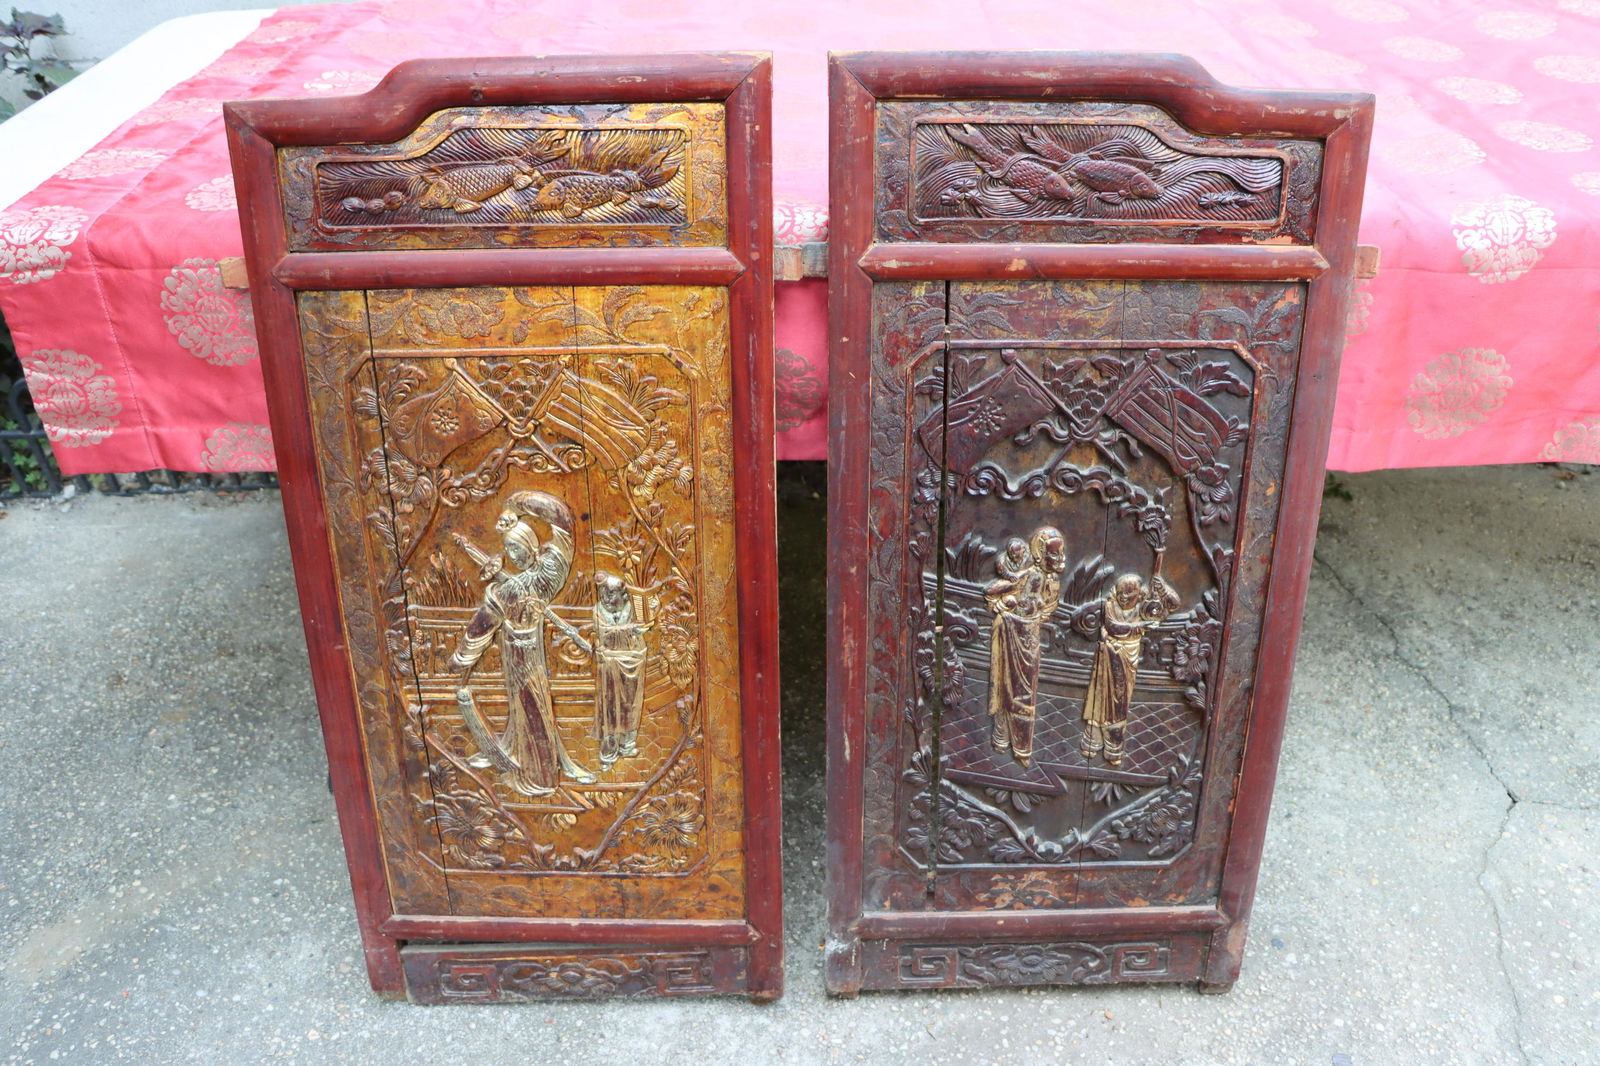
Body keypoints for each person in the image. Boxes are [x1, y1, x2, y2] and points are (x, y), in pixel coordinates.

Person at [451, 491, 595, 796]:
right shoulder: (515, 587)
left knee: (533, 706)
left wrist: (514, 506)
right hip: (513, 653)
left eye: (517, 547)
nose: (512, 556)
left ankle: (540, 775)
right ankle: (516, 751)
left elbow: (562, 520)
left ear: (532, 545)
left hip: (529, 654)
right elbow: (482, 626)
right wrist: (463, 657)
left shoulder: (544, 576)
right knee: (522, 705)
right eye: (507, 549)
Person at [984, 526, 1065, 767]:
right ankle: (1006, 741)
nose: (1060, 559)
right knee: (1008, 687)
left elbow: (1047, 609)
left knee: (1024, 690)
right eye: (1054, 554)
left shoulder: (1052, 581)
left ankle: (1019, 746)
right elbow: (991, 591)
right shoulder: (1030, 575)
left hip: (1029, 637)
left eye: (1061, 553)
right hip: (1012, 632)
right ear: (1040, 554)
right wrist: (1002, 607)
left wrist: (1036, 614)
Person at [1081, 571, 1180, 768]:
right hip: (1106, 655)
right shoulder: (1110, 606)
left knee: (1119, 701)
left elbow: (1173, 605)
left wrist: (1162, 588)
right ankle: (1093, 740)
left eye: (1129, 594)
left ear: (1139, 594)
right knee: (1099, 697)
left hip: (1127, 657)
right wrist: (1141, 625)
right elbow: (1113, 627)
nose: (1123, 597)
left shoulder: (1144, 607)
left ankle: (1113, 747)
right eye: (1121, 593)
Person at [593, 570, 649, 766]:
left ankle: (627, 744)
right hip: (609, 666)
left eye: (611, 594)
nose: (607, 599)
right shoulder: (598, 610)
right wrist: (629, 630)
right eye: (604, 594)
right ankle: (609, 750)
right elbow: (603, 634)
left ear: (623, 595)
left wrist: (636, 630)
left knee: (630, 704)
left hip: (632, 662)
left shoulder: (632, 610)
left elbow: (639, 639)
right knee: (610, 706)